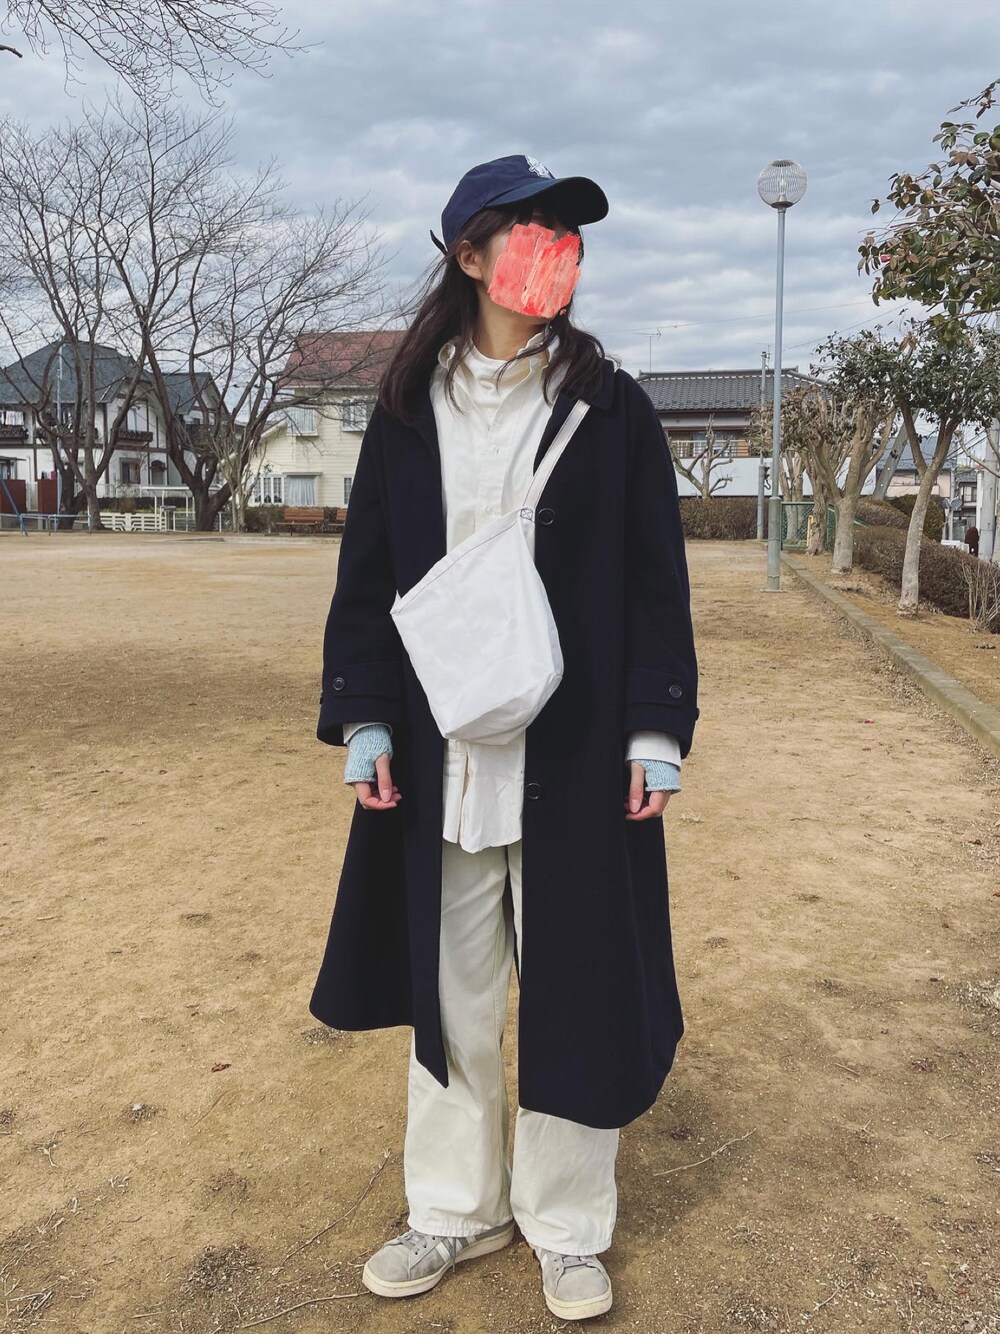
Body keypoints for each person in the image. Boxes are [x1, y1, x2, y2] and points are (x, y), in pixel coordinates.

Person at [309, 154, 699, 1322]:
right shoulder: (402, 408)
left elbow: (655, 580)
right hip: (442, 756)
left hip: (574, 755)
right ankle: (452, 1209)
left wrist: (655, 727)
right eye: (528, 229)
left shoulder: (610, 405)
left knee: (577, 987)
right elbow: (369, 575)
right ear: (469, 255)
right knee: (448, 994)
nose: (553, 249)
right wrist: (365, 715)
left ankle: (568, 1225)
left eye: (565, 234)